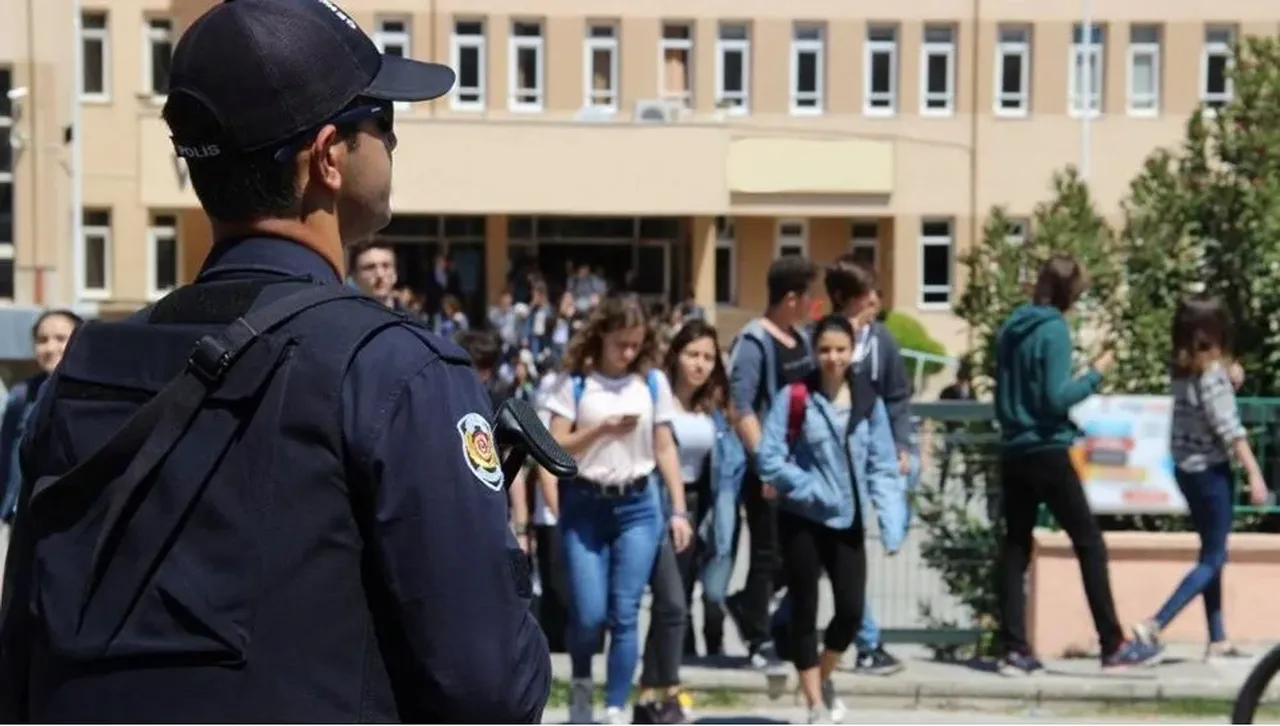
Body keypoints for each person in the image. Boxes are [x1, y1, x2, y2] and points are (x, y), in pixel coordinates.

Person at [0, 0, 549, 721]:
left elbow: (21, 656)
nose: (391, 141)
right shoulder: (395, 371)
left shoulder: (87, 368)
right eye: (381, 120)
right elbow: (491, 688)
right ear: (327, 158)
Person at [993, 254, 1160, 673]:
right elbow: (1055, 397)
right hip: (1047, 447)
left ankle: (1014, 647)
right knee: (1088, 543)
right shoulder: (1053, 330)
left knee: (1015, 547)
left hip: (1013, 447)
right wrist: (1096, 375)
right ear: (1069, 292)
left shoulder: (1012, 328)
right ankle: (1112, 643)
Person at [542, 295, 694, 725]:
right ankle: (581, 687)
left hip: (639, 505)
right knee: (589, 614)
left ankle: (614, 707)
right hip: (586, 504)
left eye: (635, 344)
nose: (628, 353)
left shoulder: (651, 384)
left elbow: (664, 447)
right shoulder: (573, 382)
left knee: (625, 612)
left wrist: (678, 509)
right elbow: (553, 445)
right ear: (601, 336)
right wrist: (602, 430)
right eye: (620, 344)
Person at [756, 315, 904, 724]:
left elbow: (883, 465)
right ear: (814, 352)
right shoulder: (796, 396)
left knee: (852, 610)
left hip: (848, 520)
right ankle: (814, 704)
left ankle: (820, 678)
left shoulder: (866, 400)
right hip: (802, 519)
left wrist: (893, 523)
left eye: (841, 349)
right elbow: (769, 459)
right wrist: (809, 488)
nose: (833, 358)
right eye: (825, 350)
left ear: (853, 350)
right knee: (805, 607)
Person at [1132, 296, 1267, 658]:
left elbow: (1207, 407)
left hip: (1185, 469)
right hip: (1211, 472)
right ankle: (1155, 623)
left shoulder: (1181, 371)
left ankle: (1218, 637)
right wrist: (1255, 474)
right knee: (1214, 558)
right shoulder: (1211, 378)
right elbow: (1229, 429)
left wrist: (1229, 379)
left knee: (1210, 551)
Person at [634, 320, 744, 725]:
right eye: (692, 354)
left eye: (708, 358)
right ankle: (663, 689)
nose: (700, 365)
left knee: (675, 602)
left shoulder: (712, 405)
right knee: (671, 603)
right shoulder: (655, 395)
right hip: (659, 504)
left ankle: (653, 694)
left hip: (698, 506)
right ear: (676, 354)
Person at [726, 256, 818, 670]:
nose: (813, 304)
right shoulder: (754, 342)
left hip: (800, 468)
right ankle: (758, 639)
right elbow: (741, 407)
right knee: (767, 554)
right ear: (791, 297)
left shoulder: (798, 338)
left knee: (800, 555)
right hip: (767, 470)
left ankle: (749, 607)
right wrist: (767, 466)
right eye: (807, 296)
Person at [822, 256, 912, 674]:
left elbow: (897, 396)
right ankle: (866, 642)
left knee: (846, 553)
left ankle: (863, 640)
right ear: (843, 299)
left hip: (864, 464)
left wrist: (901, 443)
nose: (875, 300)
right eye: (865, 294)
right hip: (824, 464)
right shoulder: (822, 341)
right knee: (834, 556)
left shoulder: (883, 342)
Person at [0, 310, 84, 576]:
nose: (50, 347)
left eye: (61, 338)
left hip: (71, 517)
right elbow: (4, 453)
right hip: (21, 513)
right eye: (42, 339)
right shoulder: (20, 394)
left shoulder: (93, 393)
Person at [349, 240, 401, 308]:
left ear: (395, 273)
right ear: (354, 276)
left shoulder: (413, 318)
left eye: (386, 266)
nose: (380, 274)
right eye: (370, 267)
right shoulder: (341, 317)